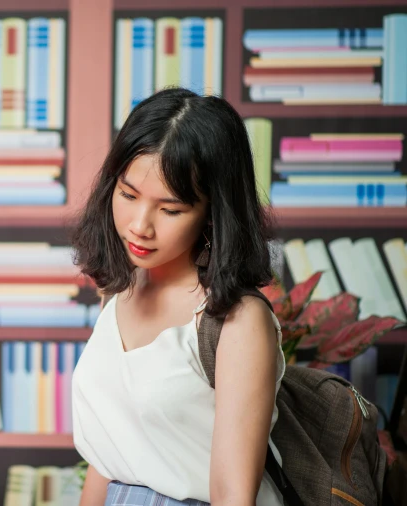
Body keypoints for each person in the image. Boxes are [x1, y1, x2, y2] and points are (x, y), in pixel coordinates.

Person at [70, 87, 286, 506]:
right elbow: (110, 451)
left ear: (213, 212)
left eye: (170, 210)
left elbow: (232, 496)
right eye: (128, 195)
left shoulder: (237, 321)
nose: (139, 225)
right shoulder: (118, 292)